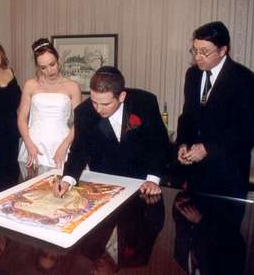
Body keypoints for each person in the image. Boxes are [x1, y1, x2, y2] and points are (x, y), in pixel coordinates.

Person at [55, 65, 171, 197]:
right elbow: (78, 151)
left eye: (105, 104)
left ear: (121, 96)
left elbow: (159, 145)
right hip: (105, 185)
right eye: (94, 102)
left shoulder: (145, 103)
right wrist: (67, 180)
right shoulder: (84, 112)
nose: (98, 109)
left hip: (143, 183)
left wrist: (152, 180)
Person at [176, 21, 254, 198]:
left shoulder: (245, 79)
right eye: (195, 50)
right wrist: (183, 144)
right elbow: (187, 117)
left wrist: (207, 148)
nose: (198, 57)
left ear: (223, 50)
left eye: (204, 52)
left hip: (227, 173)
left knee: (222, 225)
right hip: (195, 172)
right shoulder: (192, 74)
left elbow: (246, 133)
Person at [17, 38, 81, 175]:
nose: (49, 70)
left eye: (52, 64)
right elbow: (21, 117)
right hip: (34, 144)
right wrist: (28, 144)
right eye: (43, 67)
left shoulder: (72, 86)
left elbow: (79, 121)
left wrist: (64, 146)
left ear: (58, 61)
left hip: (62, 143)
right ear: (37, 67)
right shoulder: (30, 85)